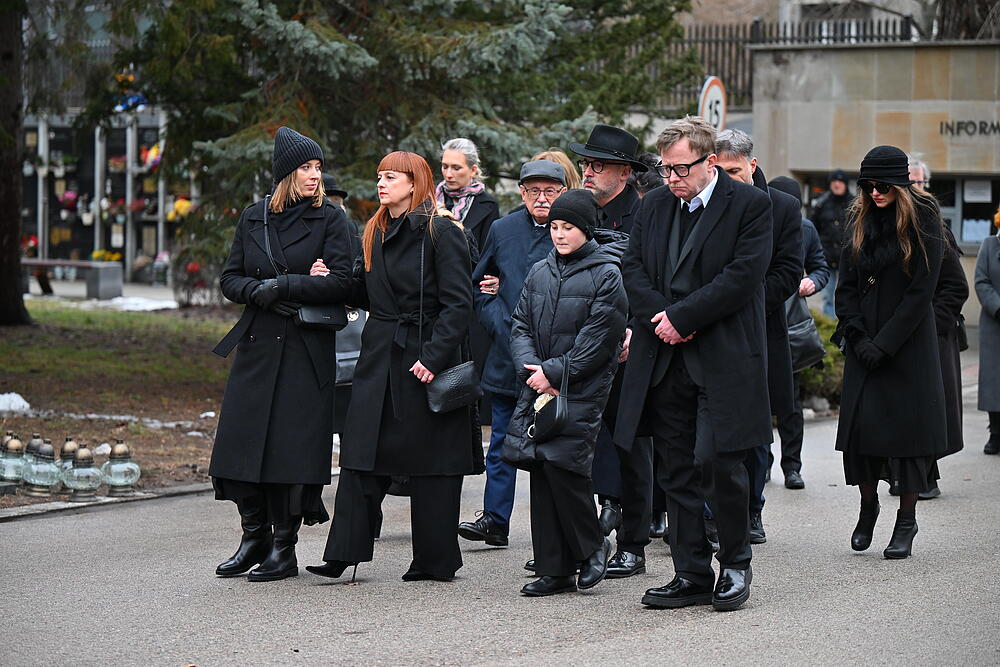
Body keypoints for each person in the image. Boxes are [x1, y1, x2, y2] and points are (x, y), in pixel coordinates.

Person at [617, 115, 772, 611]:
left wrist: (683, 316)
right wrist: (659, 317)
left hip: (722, 356)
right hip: (664, 356)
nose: (671, 179)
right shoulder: (657, 203)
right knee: (675, 467)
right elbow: (633, 266)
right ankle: (690, 573)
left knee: (717, 461)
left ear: (709, 162)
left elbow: (743, 276)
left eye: (680, 169)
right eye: (665, 169)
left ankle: (734, 564)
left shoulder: (749, 204)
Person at [307, 151, 477, 582]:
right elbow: (370, 293)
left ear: (415, 182)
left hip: (425, 355)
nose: (381, 184)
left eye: (391, 177)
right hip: (379, 355)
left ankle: (436, 560)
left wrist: (433, 358)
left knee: (432, 459)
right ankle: (343, 552)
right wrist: (332, 282)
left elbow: (459, 304)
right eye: (379, 176)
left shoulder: (441, 231)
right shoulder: (376, 230)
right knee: (361, 450)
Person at [209, 127, 354, 582]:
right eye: (306, 168)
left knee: (290, 451)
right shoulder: (255, 217)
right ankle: (252, 536)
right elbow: (230, 278)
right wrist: (259, 290)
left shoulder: (332, 219)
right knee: (240, 444)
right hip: (257, 344)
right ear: (286, 174)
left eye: (318, 168)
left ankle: (283, 547)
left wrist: (287, 284)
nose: (315, 176)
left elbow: (346, 282)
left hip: (305, 348)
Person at [503, 189, 629, 596]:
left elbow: (599, 339)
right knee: (540, 467)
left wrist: (556, 372)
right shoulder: (540, 270)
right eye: (554, 227)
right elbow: (520, 323)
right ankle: (554, 568)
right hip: (538, 384)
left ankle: (593, 545)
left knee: (565, 467)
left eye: (568, 227)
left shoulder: (607, 274)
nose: (559, 234)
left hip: (582, 387)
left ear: (586, 229)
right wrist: (533, 370)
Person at [834, 145, 945, 560]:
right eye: (869, 185)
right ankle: (868, 507)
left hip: (908, 345)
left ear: (901, 184)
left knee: (908, 439)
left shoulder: (925, 219)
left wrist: (886, 343)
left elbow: (922, 292)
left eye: (883, 185)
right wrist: (858, 335)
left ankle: (906, 520)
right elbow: (845, 287)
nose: (875, 192)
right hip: (864, 344)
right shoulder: (859, 219)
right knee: (862, 435)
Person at [458, 161, 566, 548]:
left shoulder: (571, 228)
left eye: (550, 191)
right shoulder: (503, 230)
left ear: (563, 191)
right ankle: (494, 519)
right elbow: (478, 285)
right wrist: (494, 318)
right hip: (507, 355)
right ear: (520, 193)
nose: (542, 199)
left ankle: (553, 533)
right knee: (502, 441)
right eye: (533, 191)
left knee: (554, 447)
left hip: (556, 359)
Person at [569, 123, 653, 576]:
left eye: (597, 165)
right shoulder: (581, 211)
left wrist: (635, 330)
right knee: (578, 443)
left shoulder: (645, 214)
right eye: (585, 163)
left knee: (631, 445)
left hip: (627, 345)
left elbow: (651, 282)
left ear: (624, 172)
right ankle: (582, 543)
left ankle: (634, 544)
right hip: (582, 345)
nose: (588, 171)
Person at [714, 129, 802, 546]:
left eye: (735, 171)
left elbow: (788, 271)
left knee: (753, 428)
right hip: (707, 328)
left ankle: (751, 510)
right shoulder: (704, 203)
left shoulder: (782, 208)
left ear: (752, 164)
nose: (728, 179)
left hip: (759, 330)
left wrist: (740, 302)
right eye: (721, 170)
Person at [769, 175, 832, 488]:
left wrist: (813, 282)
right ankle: (761, 464)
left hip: (791, 324)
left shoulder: (805, 229)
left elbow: (822, 267)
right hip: (757, 322)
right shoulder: (753, 221)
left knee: (790, 402)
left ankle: (792, 466)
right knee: (757, 402)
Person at [437, 138, 500, 260]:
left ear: (473, 170)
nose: (448, 174)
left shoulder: (488, 205)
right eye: (445, 167)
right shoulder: (430, 198)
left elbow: (487, 255)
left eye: (456, 168)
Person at [811, 169, 853, 318]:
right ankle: (829, 325)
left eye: (840, 182)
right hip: (827, 257)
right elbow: (813, 229)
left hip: (848, 259)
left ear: (845, 184)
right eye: (834, 181)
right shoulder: (822, 204)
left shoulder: (854, 204)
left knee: (847, 293)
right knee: (827, 295)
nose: (836, 184)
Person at [976, 204, 1000, 455]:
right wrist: (998, 307)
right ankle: (995, 433)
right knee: (994, 381)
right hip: (995, 323)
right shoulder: (989, 245)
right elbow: (981, 280)